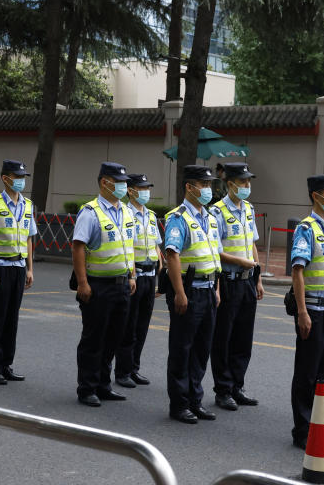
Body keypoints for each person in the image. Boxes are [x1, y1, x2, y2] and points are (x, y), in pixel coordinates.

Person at [71, 162, 136, 407]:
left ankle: (103, 384)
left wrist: (132, 276)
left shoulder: (127, 212)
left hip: (122, 284)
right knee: (94, 338)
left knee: (114, 337)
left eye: (124, 182)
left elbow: (128, 248)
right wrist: (83, 283)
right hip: (98, 285)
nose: (123, 186)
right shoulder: (91, 212)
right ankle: (87, 388)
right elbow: (78, 246)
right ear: (104, 183)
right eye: (118, 182)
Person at [289, 174, 324, 450]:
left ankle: (320, 427)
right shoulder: (306, 228)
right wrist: (302, 312)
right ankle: (302, 430)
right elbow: (297, 271)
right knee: (307, 373)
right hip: (312, 309)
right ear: (316, 196)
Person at [163, 164, 222, 424]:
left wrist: (217, 288)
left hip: (209, 290)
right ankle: (179, 404)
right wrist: (179, 293)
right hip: (189, 290)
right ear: (189, 187)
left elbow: (214, 256)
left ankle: (195, 400)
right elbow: (172, 255)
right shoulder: (178, 218)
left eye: (210, 185)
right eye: (204, 185)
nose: (208, 190)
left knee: (201, 350)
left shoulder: (209, 217)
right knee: (182, 348)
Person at [0, 160, 36, 385]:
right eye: (16, 176)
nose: (21, 180)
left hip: (19, 268)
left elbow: (29, 238)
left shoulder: (28, 205)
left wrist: (30, 268)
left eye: (23, 176)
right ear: (5, 178)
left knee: (12, 318)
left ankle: (6, 364)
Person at [209, 162, 263, 411]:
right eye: (242, 182)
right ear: (230, 184)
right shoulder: (217, 213)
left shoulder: (249, 210)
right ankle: (223, 389)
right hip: (228, 281)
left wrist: (258, 277)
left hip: (247, 281)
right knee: (224, 337)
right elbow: (215, 251)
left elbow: (252, 243)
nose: (247, 186)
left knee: (244, 337)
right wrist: (239, 261)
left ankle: (237, 386)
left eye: (248, 182)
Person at [115, 173, 162, 389]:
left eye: (147, 187)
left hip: (150, 276)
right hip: (134, 276)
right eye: (142, 188)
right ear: (131, 190)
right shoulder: (125, 214)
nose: (146, 192)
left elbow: (156, 244)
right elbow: (126, 247)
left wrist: (160, 266)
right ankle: (122, 371)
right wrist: (132, 274)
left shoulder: (150, 215)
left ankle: (134, 368)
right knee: (128, 325)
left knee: (142, 326)